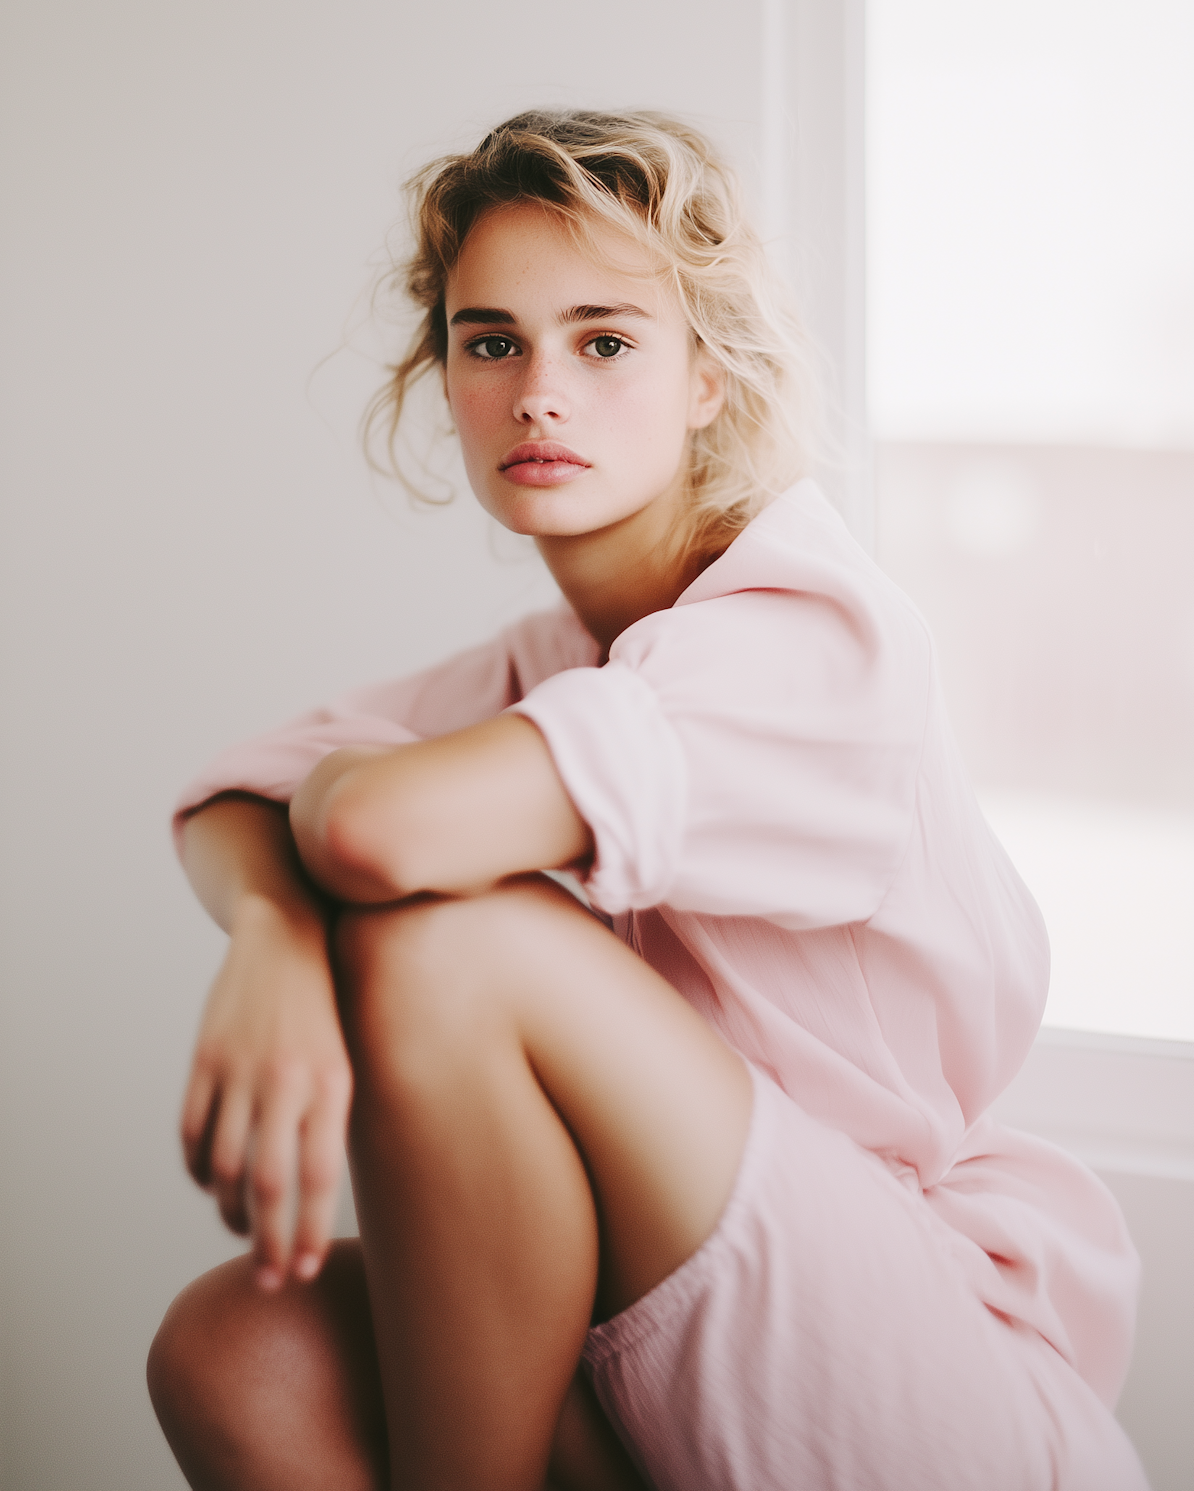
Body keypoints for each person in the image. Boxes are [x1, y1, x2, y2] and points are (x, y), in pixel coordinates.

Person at [146, 111, 1147, 1491]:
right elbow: (234, 792)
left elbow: (374, 828)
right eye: (490, 340)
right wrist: (273, 935)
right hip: (671, 1287)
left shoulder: (808, 634)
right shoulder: (550, 664)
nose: (538, 390)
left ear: (707, 379)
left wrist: (331, 861)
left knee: (441, 938)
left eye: (604, 340)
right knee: (232, 1346)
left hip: (913, 1355)